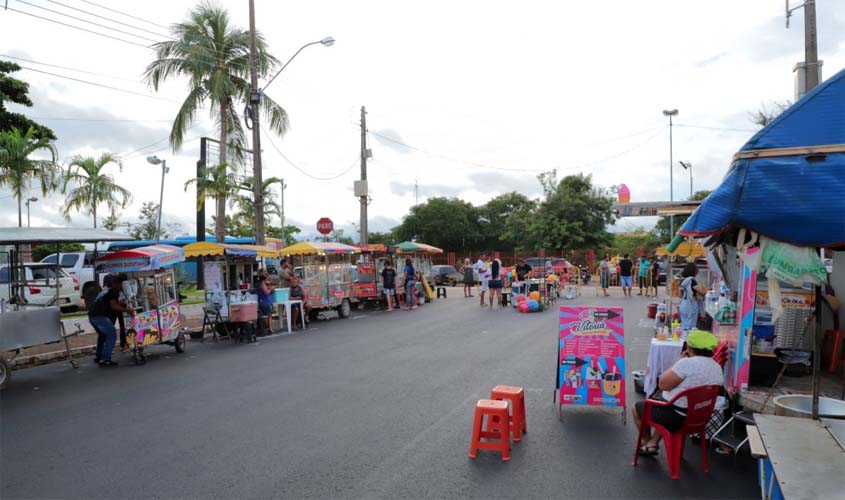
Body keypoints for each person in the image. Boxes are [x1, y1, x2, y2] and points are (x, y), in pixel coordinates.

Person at [632, 330, 723, 455]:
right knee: (665, 402)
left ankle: (647, 443)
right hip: (701, 417)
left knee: (637, 408)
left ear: (689, 348)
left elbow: (663, 384)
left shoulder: (686, 363)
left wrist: (678, 362)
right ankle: (653, 443)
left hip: (677, 417)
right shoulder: (717, 367)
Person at [89, 273, 135, 367]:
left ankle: (99, 356)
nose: (123, 287)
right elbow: (113, 305)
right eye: (123, 284)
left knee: (102, 336)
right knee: (112, 335)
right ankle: (105, 359)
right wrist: (127, 310)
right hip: (100, 316)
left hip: (92, 315)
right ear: (119, 283)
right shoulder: (114, 291)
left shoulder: (107, 291)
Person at [679, 262, 707, 333]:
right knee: (691, 328)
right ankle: (688, 339)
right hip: (691, 306)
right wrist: (708, 289)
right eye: (696, 269)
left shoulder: (682, 280)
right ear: (693, 270)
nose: (697, 271)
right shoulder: (692, 280)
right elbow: (702, 292)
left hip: (683, 305)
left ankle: (683, 338)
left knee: (684, 327)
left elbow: (680, 295)